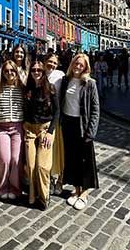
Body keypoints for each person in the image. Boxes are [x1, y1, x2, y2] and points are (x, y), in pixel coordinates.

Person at [58, 54, 99, 210]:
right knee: (72, 158)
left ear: (86, 67)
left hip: (82, 125)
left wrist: (91, 131)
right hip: (68, 124)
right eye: (76, 63)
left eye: (81, 65)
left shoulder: (90, 83)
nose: (78, 67)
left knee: (85, 161)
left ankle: (84, 193)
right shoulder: (65, 80)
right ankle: (76, 189)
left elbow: (95, 109)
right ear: (72, 64)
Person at [22, 59, 60, 209]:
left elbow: (57, 111)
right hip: (29, 128)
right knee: (31, 165)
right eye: (34, 70)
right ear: (30, 72)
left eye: (39, 70)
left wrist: (51, 132)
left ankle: (44, 197)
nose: (36, 72)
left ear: (44, 72)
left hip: (45, 129)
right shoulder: (27, 89)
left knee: (42, 166)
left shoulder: (50, 88)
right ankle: (33, 196)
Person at [0, 60, 26, 200]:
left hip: (17, 127)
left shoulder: (22, 88)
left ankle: (15, 188)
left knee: (15, 159)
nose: (9, 73)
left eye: (12, 71)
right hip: (1, 127)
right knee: (4, 159)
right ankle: (2, 187)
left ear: (16, 72)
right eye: (6, 71)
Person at [44, 52, 66, 196]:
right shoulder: (39, 71)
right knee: (47, 150)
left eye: (54, 62)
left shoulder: (60, 75)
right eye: (49, 61)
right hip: (43, 117)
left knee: (59, 151)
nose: (51, 65)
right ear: (44, 61)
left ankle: (60, 180)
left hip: (58, 117)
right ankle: (50, 179)